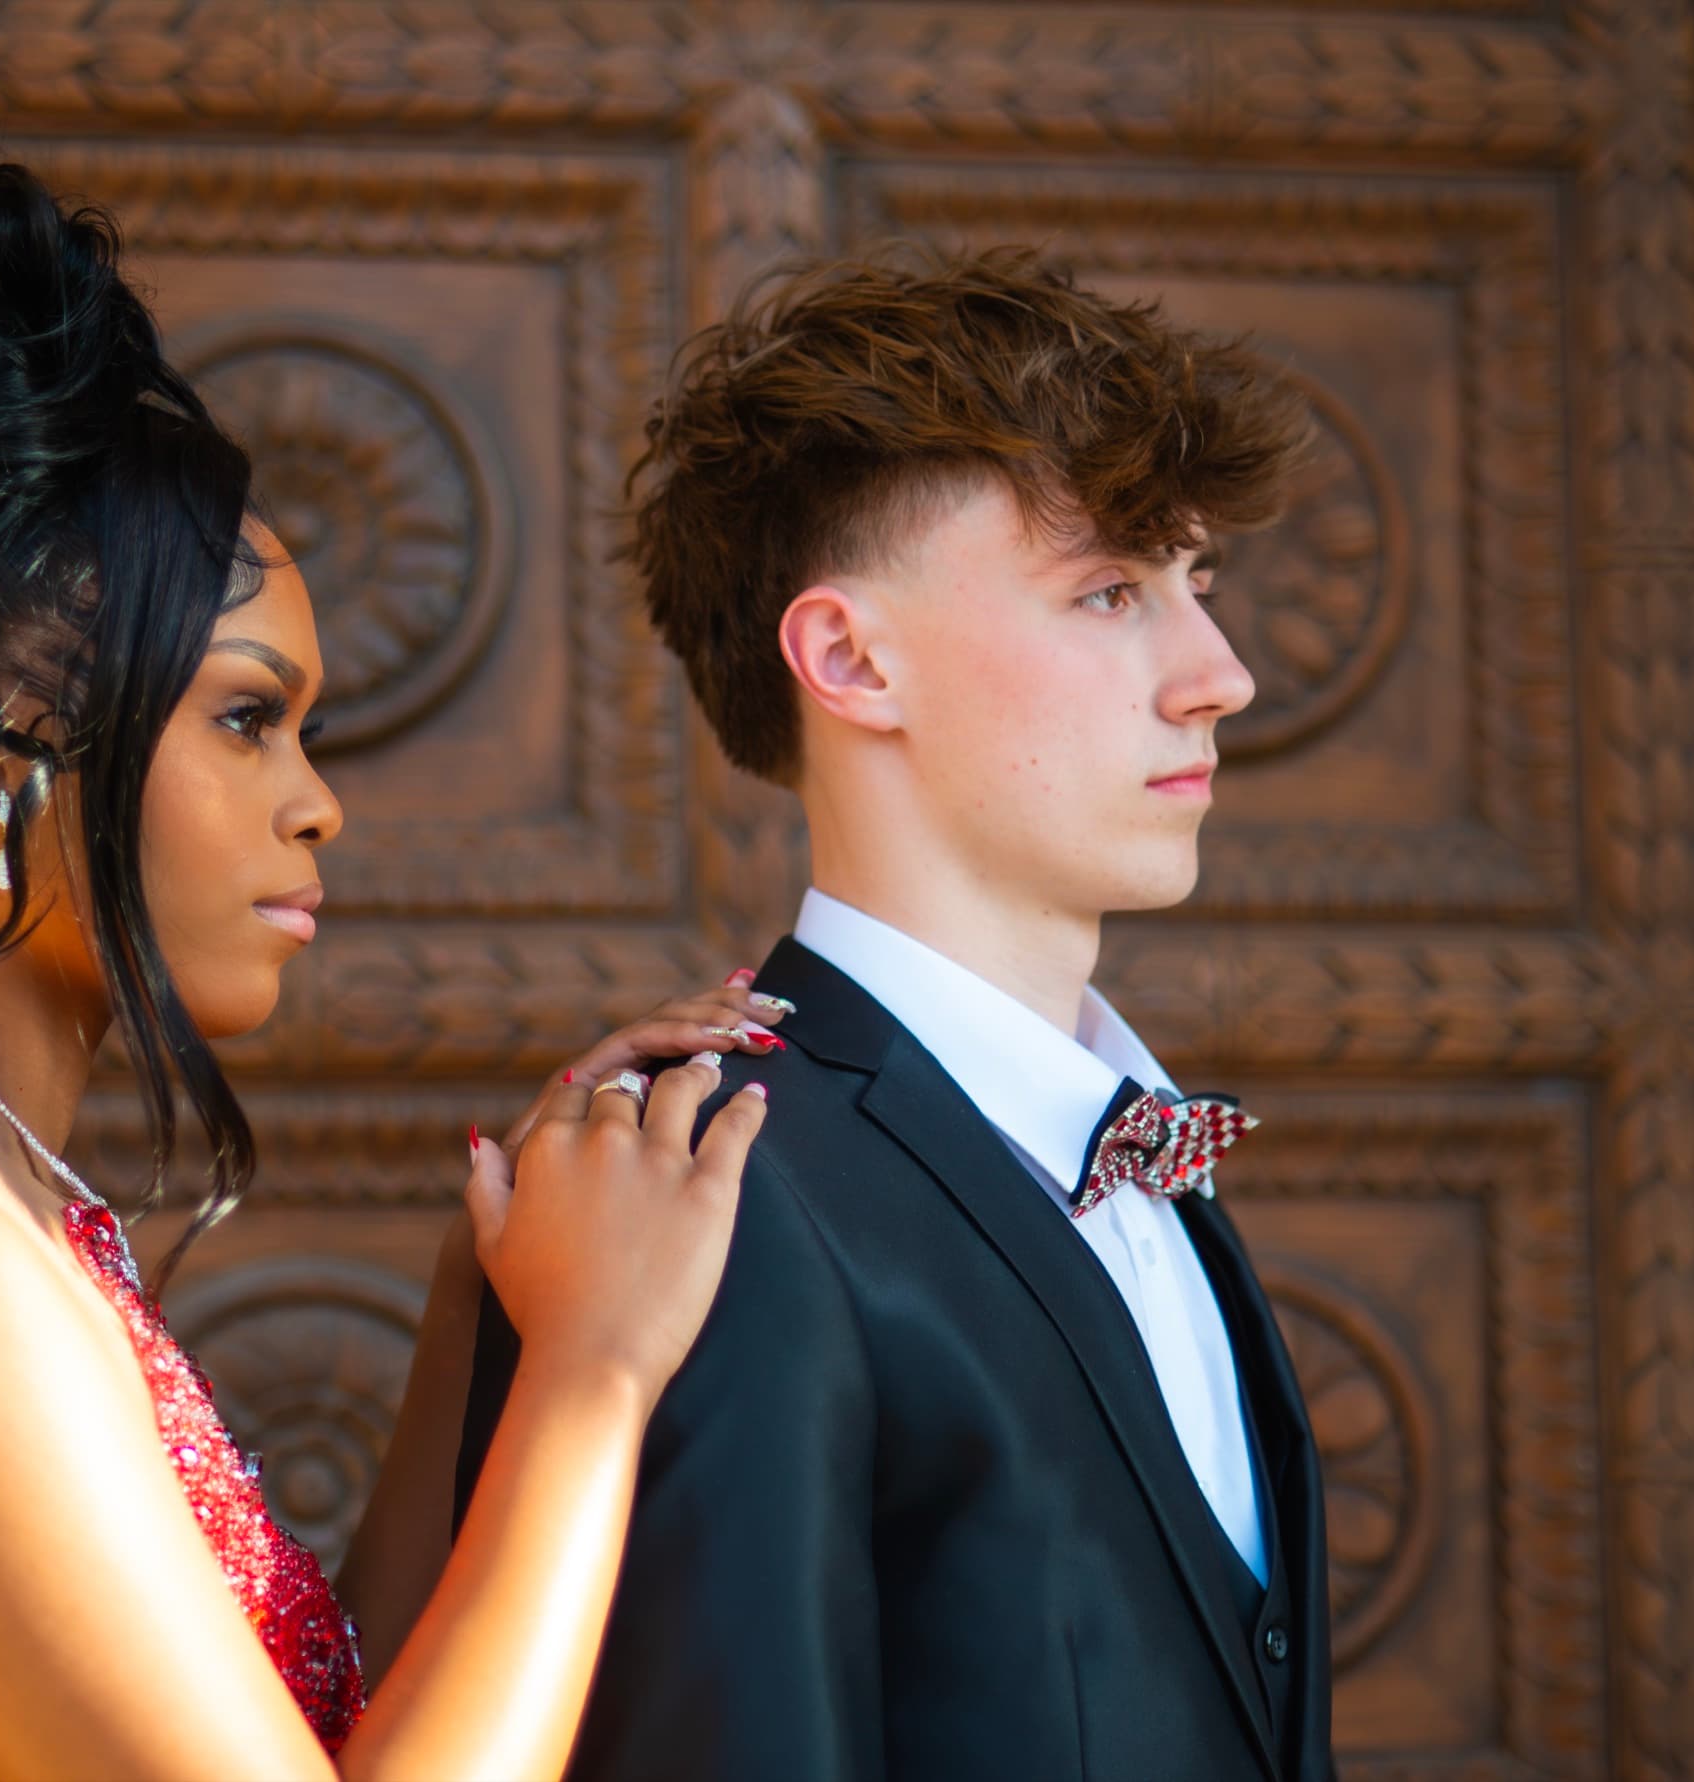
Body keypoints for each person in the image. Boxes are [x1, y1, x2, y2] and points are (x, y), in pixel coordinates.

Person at [0, 135, 782, 1782]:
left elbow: (331, 1722)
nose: (316, 805)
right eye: (246, 717)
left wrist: (493, 1306)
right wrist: (597, 1380)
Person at [456, 250, 1337, 1780]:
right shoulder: (713, 1189)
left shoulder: (1151, 1165)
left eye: (1202, 588)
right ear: (851, 659)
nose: (1222, 675)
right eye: (1114, 589)